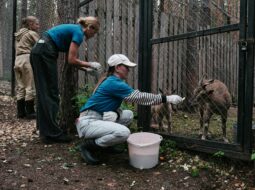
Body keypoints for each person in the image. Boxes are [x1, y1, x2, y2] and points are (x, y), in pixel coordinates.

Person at [76, 54, 184, 165]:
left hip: (97, 118)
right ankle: (88, 146)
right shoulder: (114, 83)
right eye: (126, 67)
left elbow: (113, 106)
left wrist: (117, 114)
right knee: (124, 133)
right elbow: (140, 97)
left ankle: (106, 145)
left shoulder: (111, 80)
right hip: (88, 122)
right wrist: (166, 98)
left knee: (128, 114)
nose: (129, 70)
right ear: (117, 68)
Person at [30, 16, 102, 144]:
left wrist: (86, 70)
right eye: (94, 32)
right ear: (90, 27)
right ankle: (52, 134)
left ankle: (45, 130)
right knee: (50, 93)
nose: (93, 35)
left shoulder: (75, 29)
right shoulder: (79, 33)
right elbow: (71, 60)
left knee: (45, 93)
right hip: (45, 52)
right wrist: (90, 64)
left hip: (40, 50)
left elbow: (71, 61)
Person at [14, 16, 40, 119]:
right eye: (36, 24)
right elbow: (40, 45)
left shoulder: (19, 34)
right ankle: (30, 112)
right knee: (30, 85)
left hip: (17, 60)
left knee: (21, 86)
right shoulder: (31, 33)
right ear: (30, 25)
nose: (38, 26)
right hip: (26, 59)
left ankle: (20, 113)